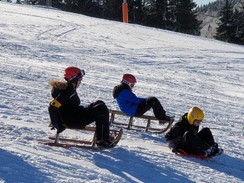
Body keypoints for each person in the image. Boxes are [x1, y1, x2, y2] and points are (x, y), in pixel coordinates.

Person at [48, 66, 114, 148]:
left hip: (76, 115)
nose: (80, 82)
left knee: (99, 103)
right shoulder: (67, 91)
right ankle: (102, 140)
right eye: (80, 79)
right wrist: (56, 123)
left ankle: (103, 137)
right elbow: (52, 106)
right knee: (101, 109)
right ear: (74, 79)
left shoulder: (69, 88)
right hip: (74, 120)